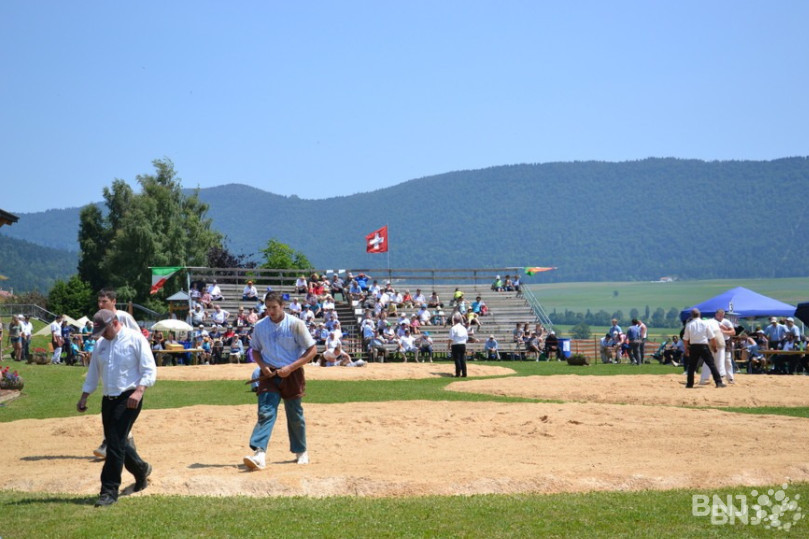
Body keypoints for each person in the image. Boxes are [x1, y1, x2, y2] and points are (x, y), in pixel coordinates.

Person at [76, 309, 156, 507]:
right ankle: (141, 469)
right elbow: (93, 373)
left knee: (113, 444)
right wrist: (85, 395)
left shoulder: (135, 339)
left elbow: (149, 368)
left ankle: (109, 491)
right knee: (117, 442)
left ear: (115, 322)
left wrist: (139, 391)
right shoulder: (101, 344)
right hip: (108, 399)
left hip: (129, 397)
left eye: (104, 330)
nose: (102, 334)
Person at [243, 292, 317, 471]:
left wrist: (291, 368)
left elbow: (312, 350)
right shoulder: (260, 327)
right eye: (267, 308)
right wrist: (263, 366)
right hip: (269, 375)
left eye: (274, 307)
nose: (270, 311)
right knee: (266, 412)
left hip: (292, 374)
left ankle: (301, 451)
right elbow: (255, 351)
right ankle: (259, 454)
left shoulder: (296, 324)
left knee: (295, 414)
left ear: (282, 306)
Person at [93, 288, 141, 460]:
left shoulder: (124, 317)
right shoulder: (100, 319)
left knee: (120, 417)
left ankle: (111, 446)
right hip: (112, 375)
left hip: (127, 374)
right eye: (99, 301)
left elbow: (138, 335)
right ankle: (130, 455)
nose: (100, 305)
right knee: (120, 420)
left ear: (113, 301)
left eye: (104, 301)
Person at [682, 308, 726, 389]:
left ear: (691, 315)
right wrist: (714, 346)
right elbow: (712, 337)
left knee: (692, 366)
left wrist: (686, 349)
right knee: (711, 364)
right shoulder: (705, 324)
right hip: (703, 346)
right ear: (700, 315)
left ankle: (689, 384)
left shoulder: (689, 325)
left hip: (694, 346)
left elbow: (685, 339)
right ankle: (718, 382)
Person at [447, 313, 468, 378]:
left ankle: (458, 373)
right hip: (463, 344)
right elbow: (466, 337)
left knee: (457, 359)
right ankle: (464, 373)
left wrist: (449, 345)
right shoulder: (464, 328)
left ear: (454, 321)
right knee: (462, 359)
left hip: (456, 345)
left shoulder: (453, 328)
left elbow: (451, 338)